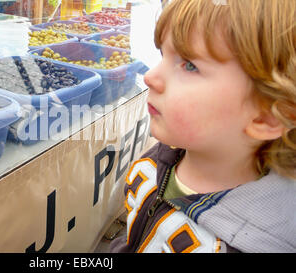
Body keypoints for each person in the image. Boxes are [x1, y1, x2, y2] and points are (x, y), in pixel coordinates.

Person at [110, 0, 295, 253]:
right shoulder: (154, 164)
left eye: (189, 65)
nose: (150, 76)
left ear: (266, 118)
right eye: (163, 55)